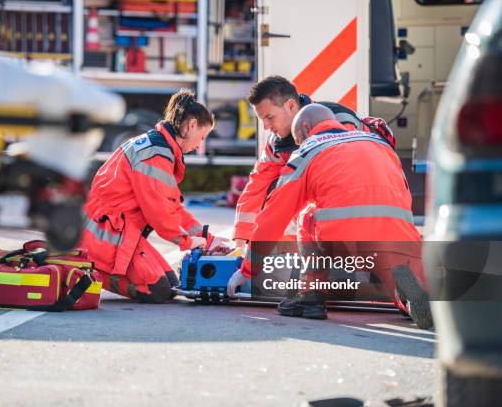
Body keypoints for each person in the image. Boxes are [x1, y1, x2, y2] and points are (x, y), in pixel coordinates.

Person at [228, 104, 432, 329]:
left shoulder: (308, 150)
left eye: (298, 139)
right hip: (399, 238)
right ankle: (408, 301)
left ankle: (311, 296)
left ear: (306, 128)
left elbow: (273, 217)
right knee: (394, 275)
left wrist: (248, 269)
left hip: (346, 241)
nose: (299, 144)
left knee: (306, 214)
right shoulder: (378, 143)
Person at [81, 89, 228, 303]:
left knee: (172, 285)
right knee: (159, 291)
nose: (199, 146)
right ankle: (93, 268)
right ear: (191, 125)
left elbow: (173, 209)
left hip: (117, 231)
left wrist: (209, 239)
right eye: (202, 137)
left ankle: (97, 264)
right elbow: (159, 214)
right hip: (105, 235)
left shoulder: (159, 148)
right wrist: (188, 242)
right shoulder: (155, 155)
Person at [232, 76, 395, 251]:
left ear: (291, 106)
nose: (265, 126)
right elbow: (258, 185)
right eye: (262, 119)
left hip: (366, 213)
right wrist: (241, 240)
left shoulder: (340, 123)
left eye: (270, 117)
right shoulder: (276, 143)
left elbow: (345, 188)